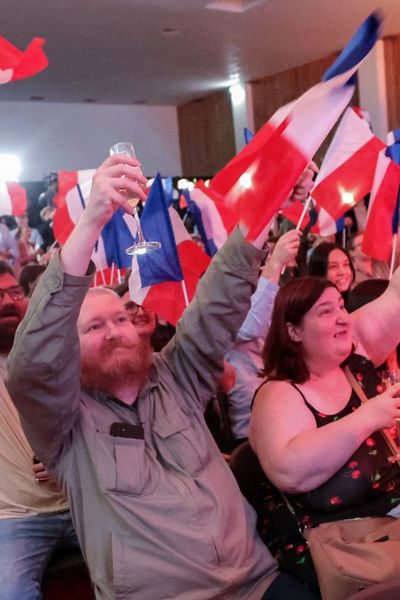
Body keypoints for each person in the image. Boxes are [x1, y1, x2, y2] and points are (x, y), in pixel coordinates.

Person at [7, 154, 317, 600]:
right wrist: (94, 218)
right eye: (94, 327)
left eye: (120, 319)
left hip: (256, 583)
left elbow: (219, 300)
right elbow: (32, 364)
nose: (116, 331)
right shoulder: (63, 423)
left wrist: (266, 207)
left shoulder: (176, 376)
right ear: (67, 347)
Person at [249, 273, 400, 593]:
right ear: (293, 331)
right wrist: (367, 418)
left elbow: (397, 297)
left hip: (391, 530)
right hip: (343, 551)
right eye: (326, 311)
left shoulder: (354, 365)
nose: (343, 318)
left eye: (342, 307)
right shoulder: (277, 394)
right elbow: (291, 470)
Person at [0, 261, 79, 600]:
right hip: (17, 519)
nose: (7, 301)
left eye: (14, 292)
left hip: (82, 500)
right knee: (12, 593)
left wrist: (66, 455)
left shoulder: (62, 350)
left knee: (149, 562)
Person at [225, 229, 301, 443]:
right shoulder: (226, 298)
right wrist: (274, 264)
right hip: (252, 432)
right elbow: (249, 328)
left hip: (291, 415)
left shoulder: (273, 294)